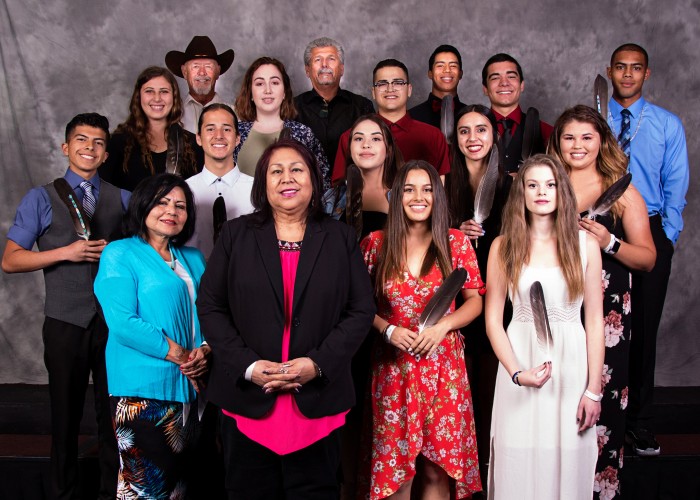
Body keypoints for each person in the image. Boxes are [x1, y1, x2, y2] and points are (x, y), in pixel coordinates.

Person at [198, 138, 376, 499]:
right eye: (275, 171)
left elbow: (361, 310)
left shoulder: (341, 238)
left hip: (317, 399)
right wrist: (247, 366)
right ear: (263, 184)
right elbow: (211, 306)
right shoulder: (235, 235)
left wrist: (318, 364)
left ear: (313, 180)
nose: (287, 178)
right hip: (247, 399)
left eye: (297, 169)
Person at [2, 113, 127, 500]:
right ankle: (63, 494)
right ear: (65, 147)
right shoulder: (40, 198)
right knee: (64, 417)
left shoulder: (123, 198)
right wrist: (64, 253)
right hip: (64, 321)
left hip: (113, 323)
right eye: (82, 140)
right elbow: (10, 260)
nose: (90, 147)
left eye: (98, 142)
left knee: (114, 416)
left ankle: (112, 493)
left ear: (106, 154)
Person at [549, 104, 656, 498]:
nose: (577, 145)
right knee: (554, 399)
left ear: (601, 142)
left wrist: (610, 242)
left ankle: (597, 490)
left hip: (606, 311)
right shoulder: (545, 185)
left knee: (601, 404)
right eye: (569, 137)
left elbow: (647, 258)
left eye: (586, 137)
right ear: (557, 142)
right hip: (556, 306)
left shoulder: (620, 191)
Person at [360, 160, 483, 499]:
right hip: (394, 368)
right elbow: (358, 307)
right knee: (395, 474)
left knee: (435, 469)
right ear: (396, 196)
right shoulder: (375, 244)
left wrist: (444, 326)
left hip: (443, 368)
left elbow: (475, 301)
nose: (419, 197)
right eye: (409, 190)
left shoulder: (455, 242)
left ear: (437, 196)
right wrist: (387, 330)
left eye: (427, 189)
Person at [485, 154, 604, 500]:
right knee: (518, 459)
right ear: (521, 192)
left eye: (550, 185)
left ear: (561, 191)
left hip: (571, 367)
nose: (541, 192)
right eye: (532, 185)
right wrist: (516, 373)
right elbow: (493, 321)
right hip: (520, 361)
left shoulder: (585, 245)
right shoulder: (503, 247)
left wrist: (593, 390)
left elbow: (594, 321)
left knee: (566, 460)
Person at [94, 173, 208, 498]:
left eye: (180, 206)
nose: (171, 211)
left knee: (177, 488)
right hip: (140, 393)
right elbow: (122, 321)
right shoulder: (120, 253)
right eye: (162, 202)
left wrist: (205, 349)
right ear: (143, 205)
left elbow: (210, 312)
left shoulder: (194, 258)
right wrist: (179, 353)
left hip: (190, 393)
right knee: (145, 489)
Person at [606, 43, 689, 457]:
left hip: (650, 227)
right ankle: (603, 416)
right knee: (600, 323)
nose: (627, 74)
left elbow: (676, 183)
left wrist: (666, 236)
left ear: (646, 74)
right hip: (601, 223)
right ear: (610, 70)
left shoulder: (666, 124)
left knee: (642, 329)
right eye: (621, 67)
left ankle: (638, 423)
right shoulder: (594, 119)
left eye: (635, 68)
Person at [444, 104, 511, 490]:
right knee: (459, 393)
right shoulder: (442, 183)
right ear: (456, 138)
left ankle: (490, 477)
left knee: (490, 388)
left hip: (502, 297)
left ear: (493, 136)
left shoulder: (511, 184)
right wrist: (455, 230)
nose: (473, 138)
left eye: (481, 129)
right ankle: (457, 478)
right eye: (465, 131)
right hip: (456, 299)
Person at [332, 59, 451, 183]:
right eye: (382, 84)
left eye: (398, 83)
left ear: (409, 89)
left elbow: (441, 188)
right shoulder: (350, 138)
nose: (390, 89)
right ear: (373, 92)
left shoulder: (433, 137)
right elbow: (339, 189)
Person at [100, 66, 203, 192]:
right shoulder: (117, 143)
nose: (157, 98)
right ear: (139, 96)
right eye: (149, 91)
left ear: (174, 96)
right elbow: (104, 194)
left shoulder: (193, 146)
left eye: (164, 91)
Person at [233, 57, 331, 189]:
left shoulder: (303, 133)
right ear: (250, 92)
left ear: (284, 92)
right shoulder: (235, 132)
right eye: (259, 84)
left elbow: (323, 183)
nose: (268, 90)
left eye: (274, 82)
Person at [186, 103, 254, 259]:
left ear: (237, 138)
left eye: (227, 129)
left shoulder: (257, 190)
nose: (219, 135)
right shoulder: (184, 191)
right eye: (210, 129)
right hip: (196, 273)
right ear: (198, 138)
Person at [295, 37, 375, 168]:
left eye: (331, 59)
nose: (324, 65)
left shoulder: (362, 106)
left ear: (342, 69)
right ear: (307, 70)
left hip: (351, 180)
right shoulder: (293, 108)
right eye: (318, 60)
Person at [324, 113, 403, 239]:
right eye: (358, 139)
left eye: (376, 139)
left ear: (388, 149)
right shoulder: (331, 198)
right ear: (350, 149)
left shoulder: (404, 197)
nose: (366, 144)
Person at [481, 53, 553, 174]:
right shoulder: (472, 132)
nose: (504, 83)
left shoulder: (547, 132)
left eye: (511, 76)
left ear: (522, 85)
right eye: (495, 78)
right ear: (485, 89)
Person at [165, 35, 235, 134]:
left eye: (208, 66)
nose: (202, 73)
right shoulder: (171, 114)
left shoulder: (235, 115)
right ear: (184, 72)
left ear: (217, 71)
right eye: (196, 66)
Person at [409, 44, 466, 130]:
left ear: (460, 74)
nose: (447, 70)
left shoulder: (472, 115)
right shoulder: (411, 117)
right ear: (430, 73)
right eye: (440, 65)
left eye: (453, 66)